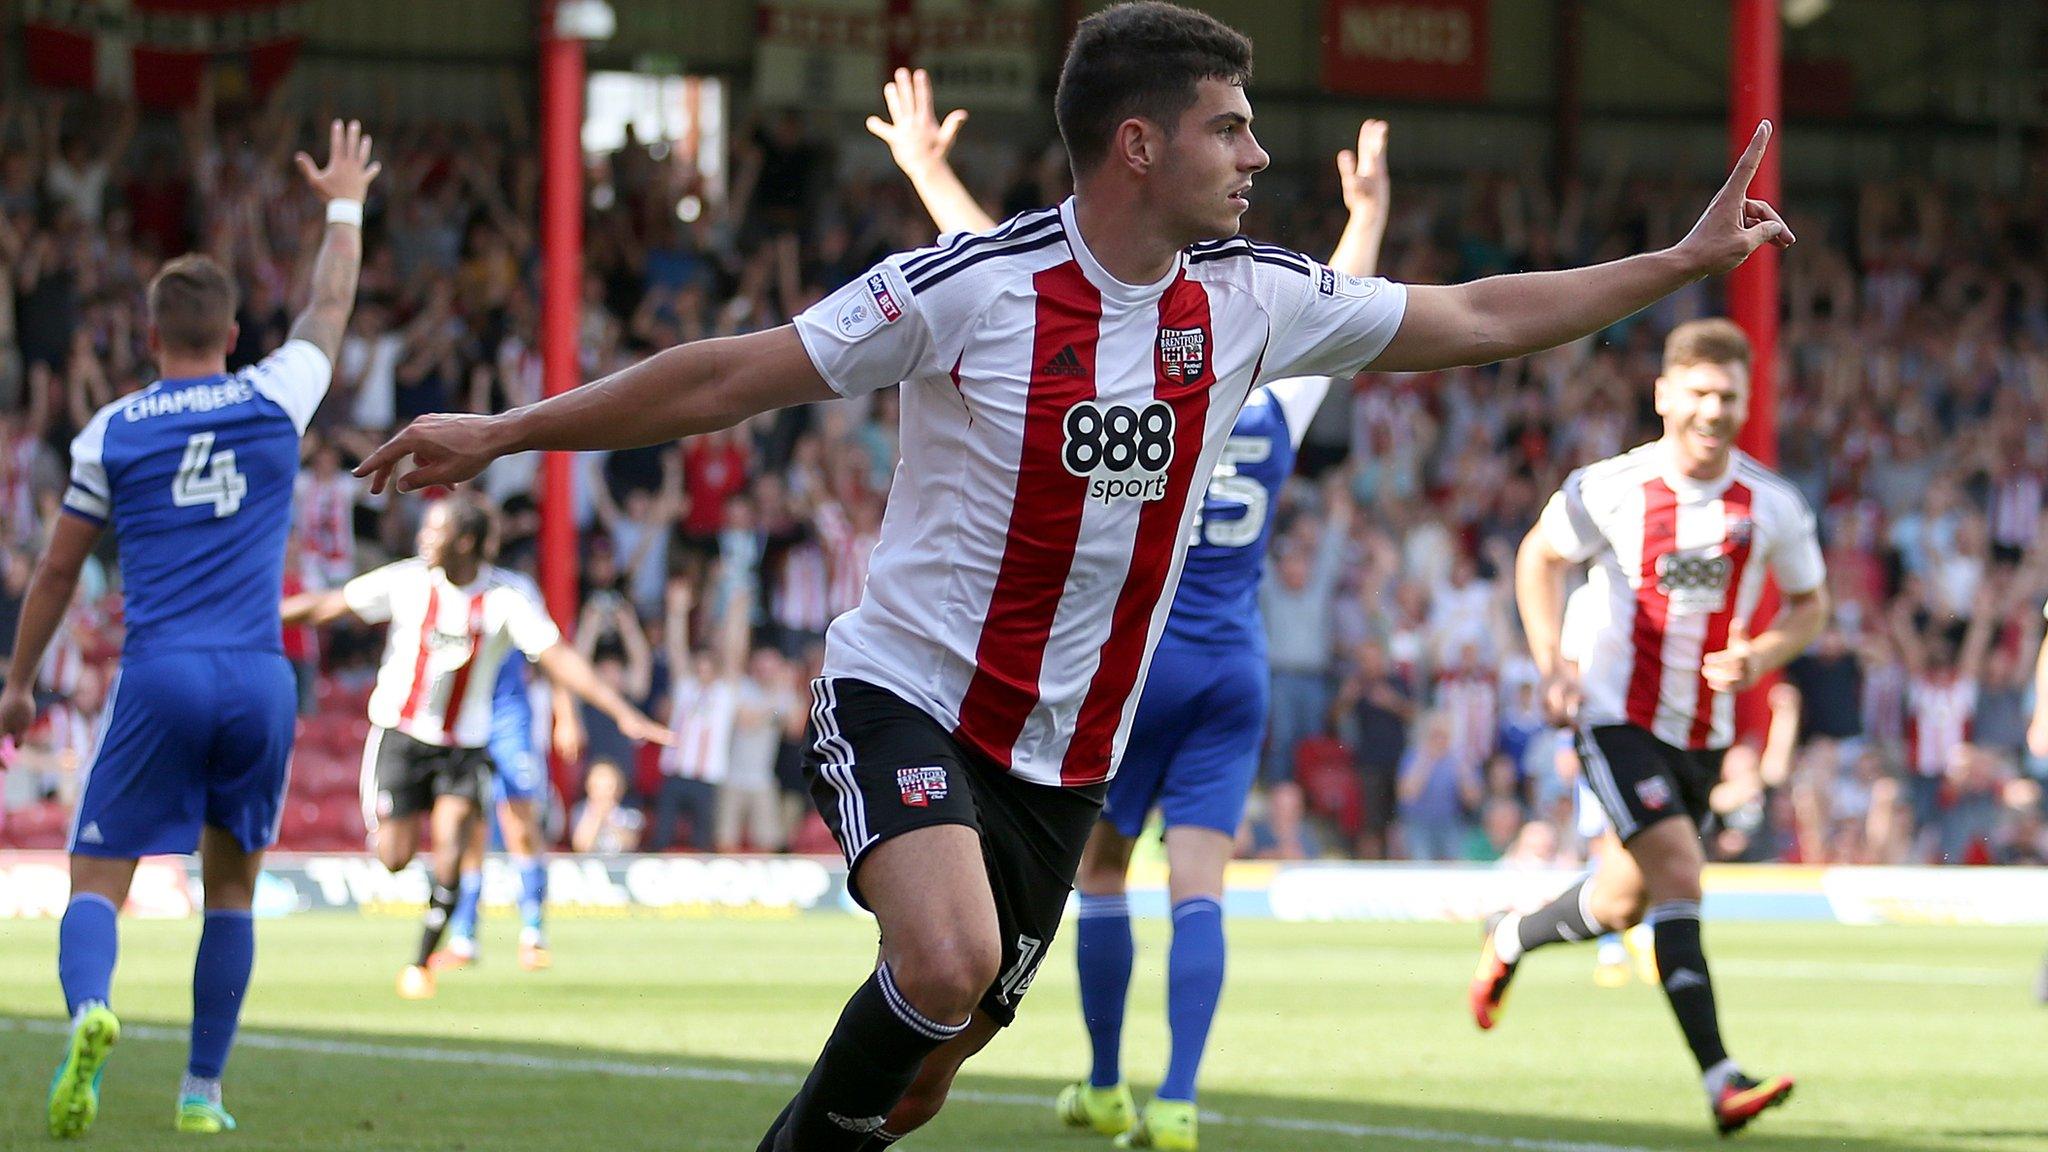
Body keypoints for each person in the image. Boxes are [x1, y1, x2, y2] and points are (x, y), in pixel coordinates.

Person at [353, 6, 1791, 1145]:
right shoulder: (970, 286)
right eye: (1230, 128)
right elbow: (735, 374)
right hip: (908, 689)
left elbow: (1477, 313)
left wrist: (1675, 264)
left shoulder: (1254, 299)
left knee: (922, 1077)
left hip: (1068, 755)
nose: (1258, 157)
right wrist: (512, 431)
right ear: (1138, 146)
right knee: (946, 958)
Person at [868, 64, 1394, 1147]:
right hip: (1231, 667)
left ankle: (1104, 1081)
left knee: (1103, 871)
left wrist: (929, 174)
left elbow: (1019, 297)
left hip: (1123, 667)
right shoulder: (1268, 391)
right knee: (1199, 880)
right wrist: (1367, 220)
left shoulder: (1154, 377)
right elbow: (1351, 322)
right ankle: (1179, 1098)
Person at [0, 120, 376, 1138]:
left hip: (161, 670)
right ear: (233, 329)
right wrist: (342, 201)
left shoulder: (112, 429)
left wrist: (19, 679)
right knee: (233, 890)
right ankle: (202, 1094)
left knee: (96, 877)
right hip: (261, 678)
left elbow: (57, 569)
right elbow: (331, 303)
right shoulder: (274, 395)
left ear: (150, 334)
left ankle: (90, 1011)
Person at [1474, 318, 1827, 1136]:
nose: (1714, 410)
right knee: (1679, 871)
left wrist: (1763, 652)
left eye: (1729, 396)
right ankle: (1721, 1079)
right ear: (1665, 395)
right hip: (1612, 713)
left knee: (1624, 901)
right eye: (1699, 392)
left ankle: (1512, 938)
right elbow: (1539, 556)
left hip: (1702, 732)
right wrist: (1552, 664)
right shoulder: (1614, 487)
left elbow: (1813, 607)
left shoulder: (1770, 505)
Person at [280, 495, 668, 1000]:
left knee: (452, 845)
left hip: (464, 746)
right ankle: (447, 931)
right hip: (400, 738)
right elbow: (328, 605)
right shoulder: (409, 580)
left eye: (434, 530)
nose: (423, 537)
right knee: (394, 857)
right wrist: (256, 615)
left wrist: (619, 709)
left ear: (465, 542)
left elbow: (558, 657)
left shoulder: (506, 599)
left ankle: (424, 961)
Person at [432, 565, 585, 975]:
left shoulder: (517, 588)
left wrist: (564, 714)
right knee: (469, 827)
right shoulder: (439, 583)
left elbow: (552, 652)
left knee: (519, 822)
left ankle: (533, 933)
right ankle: (464, 937)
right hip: (462, 717)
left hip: (507, 717)